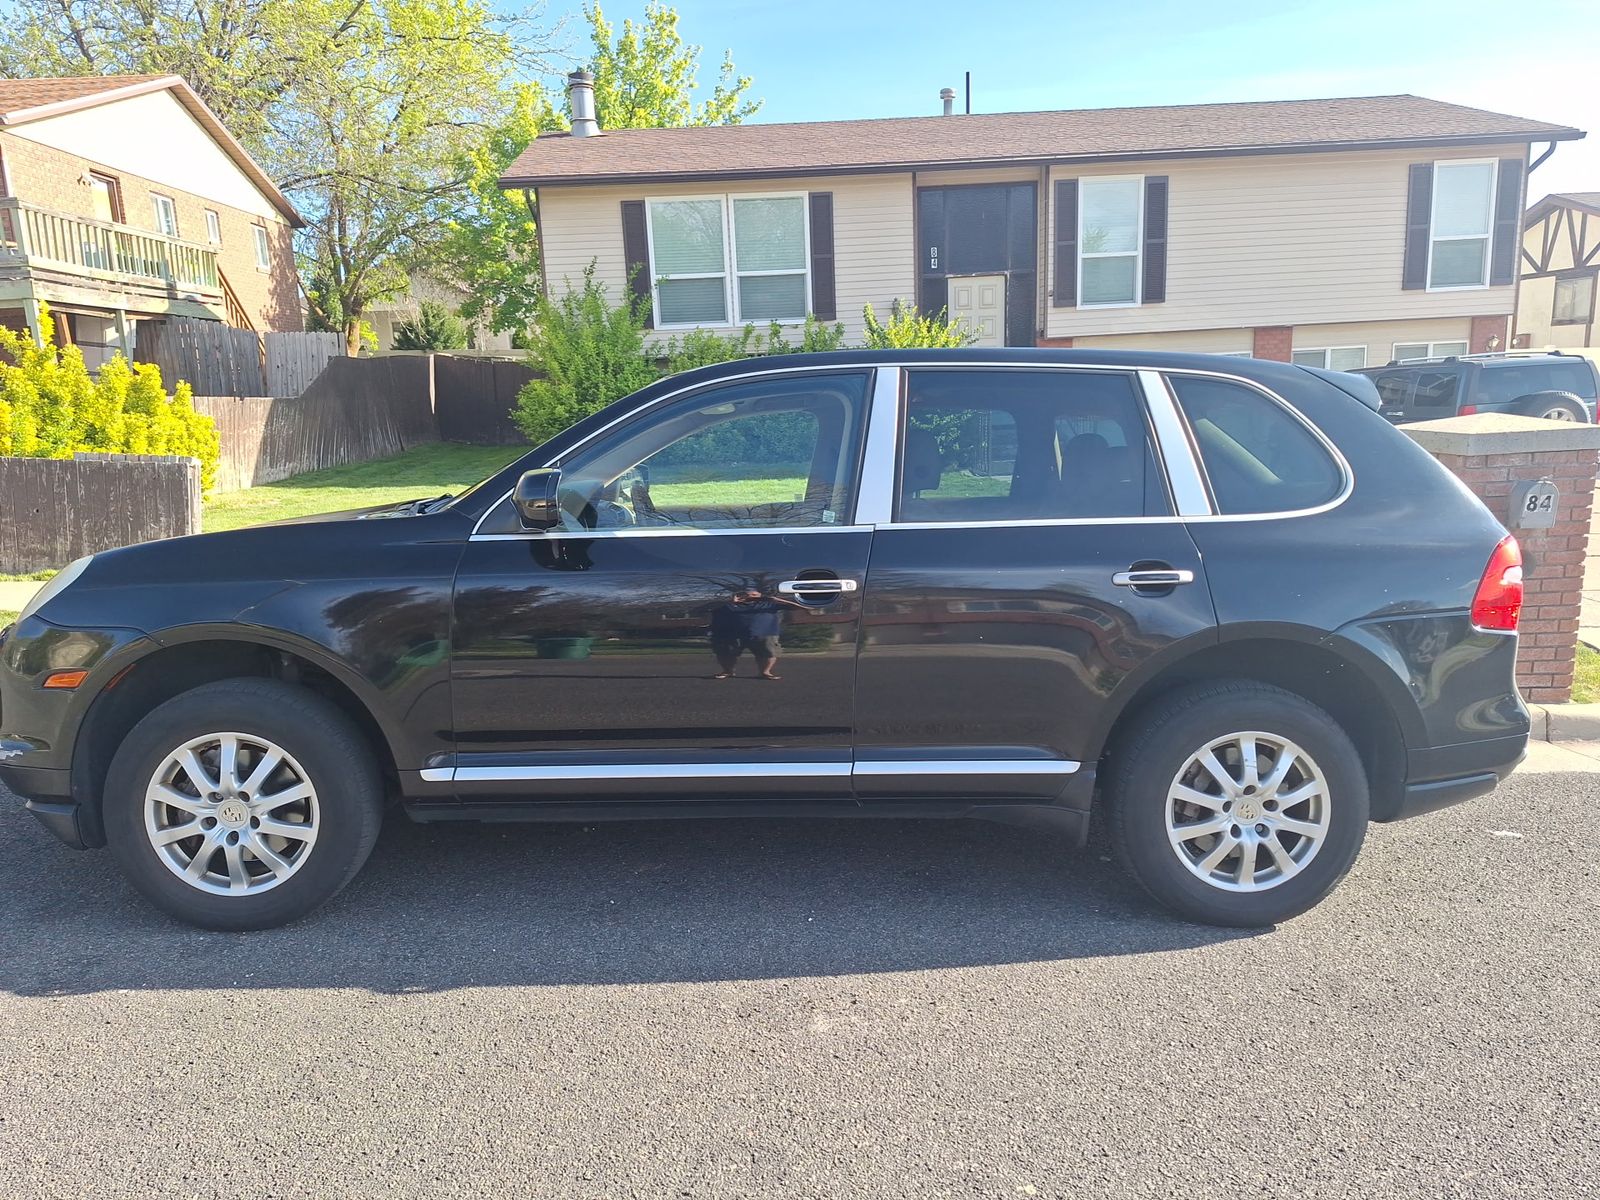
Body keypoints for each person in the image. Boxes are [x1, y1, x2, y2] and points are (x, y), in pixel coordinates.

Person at [708, 588, 804, 680]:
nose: (751, 597)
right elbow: (704, 610)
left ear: (760, 595)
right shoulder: (728, 605)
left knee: (768, 653)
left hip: (765, 633)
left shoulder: (768, 604)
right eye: (747, 595)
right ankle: (727, 671)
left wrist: (777, 600)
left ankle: (765, 672)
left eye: (754, 595)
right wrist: (730, 602)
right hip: (731, 634)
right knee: (726, 653)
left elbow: (800, 607)